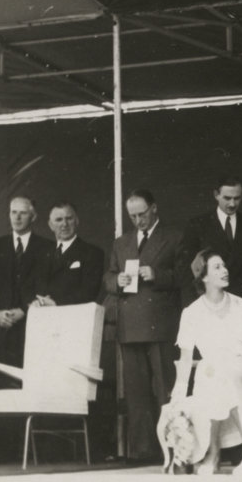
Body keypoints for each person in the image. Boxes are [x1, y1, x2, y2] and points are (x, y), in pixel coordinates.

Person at [168, 248, 242, 476]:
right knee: (211, 375)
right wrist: (179, 390)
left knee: (226, 373)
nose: (225, 271)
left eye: (224, 266)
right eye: (217, 267)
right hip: (212, 372)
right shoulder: (191, 312)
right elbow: (186, 358)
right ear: (203, 277)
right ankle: (216, 454)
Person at [105, 190, 183, 464]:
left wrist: (158, 275)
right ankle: (142, 451)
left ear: (154, 208)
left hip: (161, 323)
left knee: (165, 387)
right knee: (136, 392)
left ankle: (174, 449)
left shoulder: (174, 237)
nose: (138, 220)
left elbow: (187, 275)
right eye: (133, 216)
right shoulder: (120, 243)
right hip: (130, 324)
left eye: (142, 214)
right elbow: (108, 277)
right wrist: (117, 282)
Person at [0, 197, 54, 379]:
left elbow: (46, 286)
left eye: (23, 213)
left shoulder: (47, 247)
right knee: (1, 385)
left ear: (33, 217)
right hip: (0, 328)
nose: (17, 217)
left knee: (30, 382)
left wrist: (25, 311)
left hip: (31, 327)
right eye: (13, 212)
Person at [179, 175, 242, 305]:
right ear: (216, 195)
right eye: (227, 198)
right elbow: (186, 270)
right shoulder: (197, 225)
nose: (232, 204)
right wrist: (193, 304)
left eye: (237, 198)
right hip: (210, 301)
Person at [33, 202, 104, 307]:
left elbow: (89, 292)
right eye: (59, 220)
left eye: (69, 218)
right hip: (44, 316)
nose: (64, 224)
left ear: (77, 221)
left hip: (73, 318)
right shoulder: (41, 253)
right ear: (50, 225)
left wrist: (56, 303)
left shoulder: (92, 253)